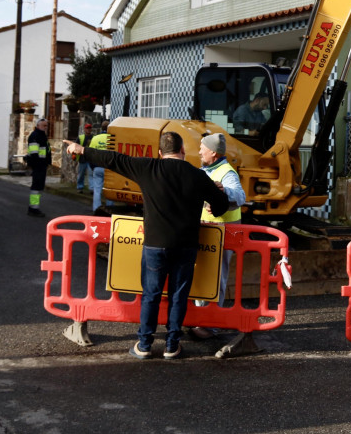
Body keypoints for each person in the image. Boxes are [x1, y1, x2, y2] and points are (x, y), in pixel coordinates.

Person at [63, 132, 229, 360]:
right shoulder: (197, 175)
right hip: (186, 245)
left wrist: (81, 150)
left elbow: (113, 159)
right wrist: (214, 199)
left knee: (151, 294)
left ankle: (144, 344)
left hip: (155, 245)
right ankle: (172, 346)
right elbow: (221, 206)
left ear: (160, 153)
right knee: (179, 296)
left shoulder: (148, 167)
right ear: (182, 151)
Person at [190, 133, 246, 340]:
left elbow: (240, 196)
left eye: (202, 148)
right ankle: (199, 320)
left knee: (216, 278)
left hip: (222, 231)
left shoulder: (226, 172)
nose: (199, 151)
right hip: (208, 230)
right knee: (203, 275)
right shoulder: (206, 170)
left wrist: (225, 192)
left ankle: (210, 324)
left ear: (213, 152)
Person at [26, 119, 51, 217]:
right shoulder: (35, 136)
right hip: (38, 166)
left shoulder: (41, 135)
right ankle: (33, 208)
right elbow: (34, 153)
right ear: (38, 125)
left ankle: (34, 207)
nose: (45, 127)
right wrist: (37, 165)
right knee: (36, 187)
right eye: (44, 125)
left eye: (46, 125)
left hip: (41, 165)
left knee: (38, 187)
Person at [89, 121, 113, 214]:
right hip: (109, 168)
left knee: (97, 190)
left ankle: (96, 209)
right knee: (110, 190)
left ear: (101, 128)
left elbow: (90, 154)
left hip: (97, 167)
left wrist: (93, 167)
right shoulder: (112, 138)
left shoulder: (95, 138)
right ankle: (110, 209)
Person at [75, 123, 94, 193]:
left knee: (91, 174)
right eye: (87, 128)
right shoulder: (80, 137)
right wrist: (75, 154)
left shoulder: (93, 137)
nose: (88, 129)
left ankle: (91, 189)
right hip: (82, 159)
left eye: (89, 128)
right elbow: (76, 146)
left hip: (90, 159)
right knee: (81, 174)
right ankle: (80, 187)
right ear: (84, 129)